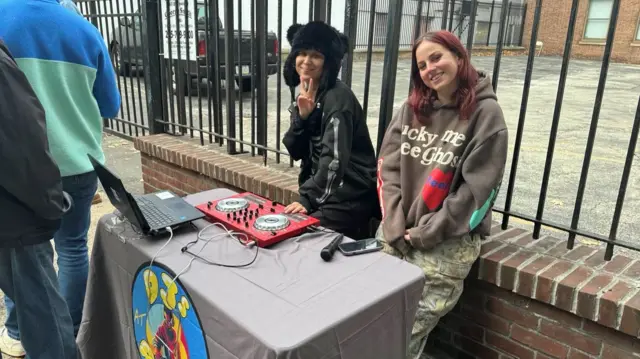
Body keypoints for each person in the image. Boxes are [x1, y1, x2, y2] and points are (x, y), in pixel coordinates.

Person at [376, 30, 508, 358]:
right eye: (421, 64)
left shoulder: (486, 115)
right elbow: (387, 168)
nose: (429, 68)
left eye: (436, 57)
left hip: (445, 244)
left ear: (459, 58)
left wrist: (428, 232)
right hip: (396, 233)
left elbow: (477, 195)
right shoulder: (411, 109)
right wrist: (392, 221)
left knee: (399, 337)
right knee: (369, 320)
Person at [0, 0, 120, 354]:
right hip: (77, 162)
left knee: (22, 255)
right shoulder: (84, 29)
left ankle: (19, 330)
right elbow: (110, 105)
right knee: (71, 248)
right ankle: (67, 330)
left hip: (20, 170)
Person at [0, 39, 79, 359]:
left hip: (11, 207)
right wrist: (50, 204)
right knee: (43, 309)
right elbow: (23, 146)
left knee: (28, 298)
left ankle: (17, 334)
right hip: (17, 211)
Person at [281, 21, 379, 240]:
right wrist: (302, 118)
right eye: (302, 53)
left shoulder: (338, 99)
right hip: (327, 193)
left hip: (350, 195)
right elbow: (295, 150)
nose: (306, 61)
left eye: (316, 55)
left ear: (328, 62)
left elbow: (334, 161)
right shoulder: (308, 93)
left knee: (299, 237)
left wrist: (307, 199)